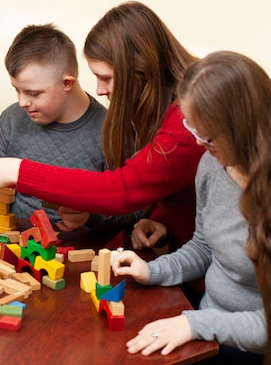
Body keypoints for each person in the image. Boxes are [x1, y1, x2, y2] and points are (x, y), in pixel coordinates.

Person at [0, 1, 205, 252]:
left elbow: (126, 190)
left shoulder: (183, 125)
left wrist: (19, 171)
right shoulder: (12, 119)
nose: (99, 89)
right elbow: (164, 185)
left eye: (106, 78)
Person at [111, 51, 267, 364]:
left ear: (242, 128)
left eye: (206, 137)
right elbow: (204, 246)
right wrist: (152, 270)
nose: (198, 146)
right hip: (206, 326)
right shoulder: (212, 164)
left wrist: (194, 324)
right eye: (191, 130)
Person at [0, 23, 141, 229]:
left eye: (34, 93)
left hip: (78, 253)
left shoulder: (113, 131)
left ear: (67, 83)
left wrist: (89, 217)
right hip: (15, 244)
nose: (23, 102)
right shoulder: (11, 119)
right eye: (17, 90)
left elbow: (134, 212)